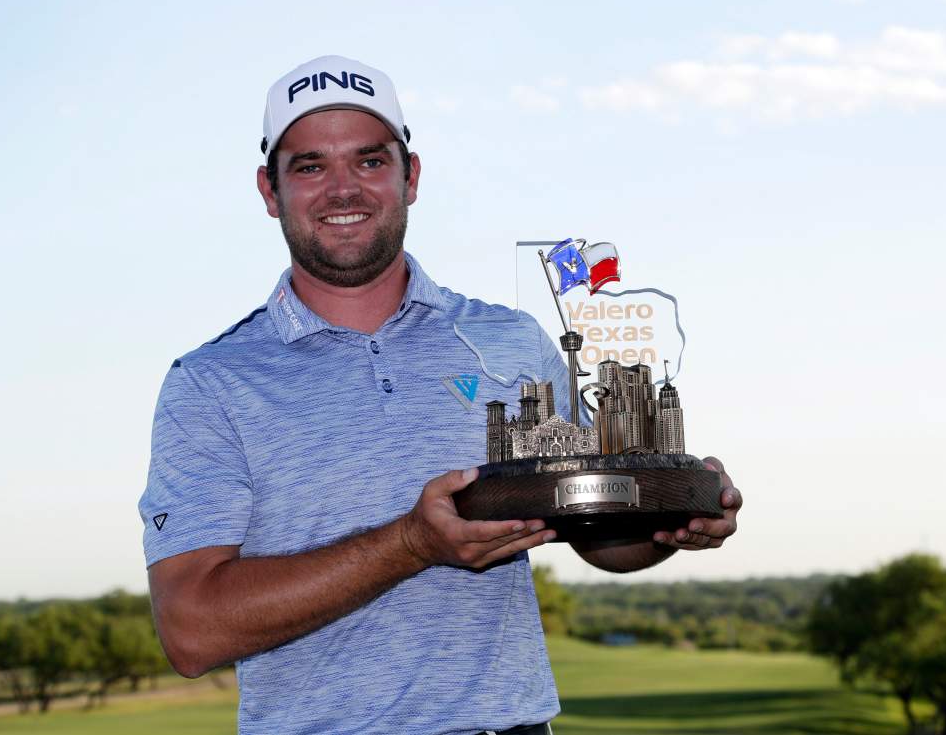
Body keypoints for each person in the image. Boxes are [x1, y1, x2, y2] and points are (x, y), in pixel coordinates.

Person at [138, 55, 742, 735]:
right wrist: (411, 543)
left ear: (411, 176)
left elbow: (596, 532)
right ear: (269, 190)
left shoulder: (513, 341)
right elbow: (190, 628)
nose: (344, 190)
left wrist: (671, 517)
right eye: (310, 166)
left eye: (370, 161)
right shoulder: (210, 382)